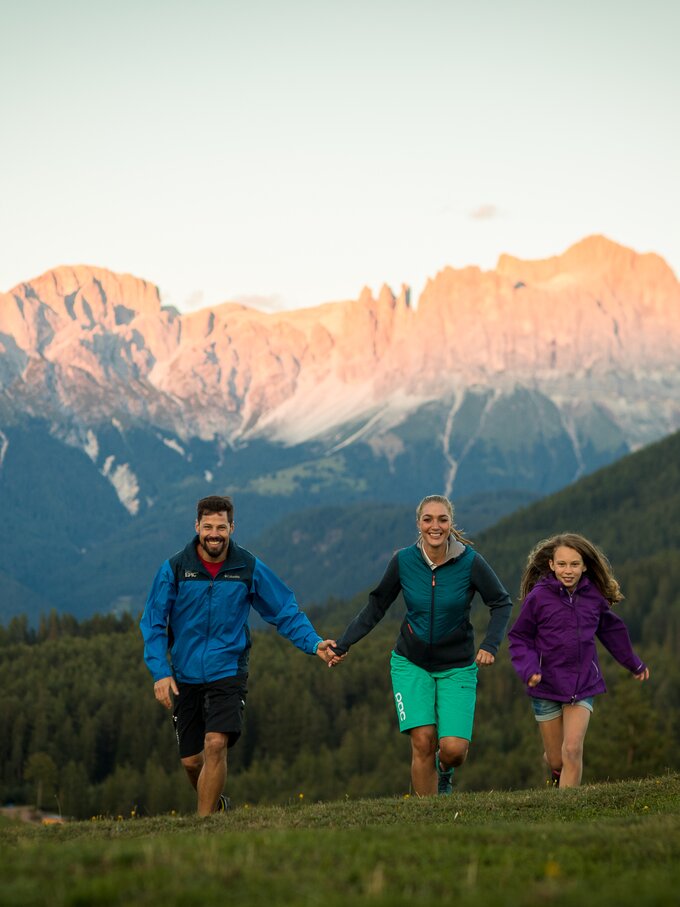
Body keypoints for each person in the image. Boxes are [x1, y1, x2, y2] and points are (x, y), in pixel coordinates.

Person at [140, 494, 337, 815]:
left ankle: (205, 831)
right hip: (184, 674)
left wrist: (314, 644)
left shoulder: (247, 567)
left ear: (232, 527)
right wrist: (160, 671)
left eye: (221, 527)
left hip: (228, 671)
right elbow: (153, 623)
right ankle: (217, 807)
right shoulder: (174, 569)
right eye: (208, 527)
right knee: (191, 762)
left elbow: (284, 610)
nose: (214, 534)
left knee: (216, 744)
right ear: (197, 527)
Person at [328, 494, 512, 797]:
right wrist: (344, 644)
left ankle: (444, 771)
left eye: (442, 519)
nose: (435, 526)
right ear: (418, 523)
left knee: (453, 750)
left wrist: (490, 645)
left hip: (457, 666)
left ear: (451, 523)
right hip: (410, 662)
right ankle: (425, 819)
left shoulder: (470, 562)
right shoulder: (404, 561)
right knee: (423, 740)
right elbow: (376, 606)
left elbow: (501, 602)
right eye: (428, 519)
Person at [508, 532, 649, 789]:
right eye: (562, 564)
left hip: (582, 683)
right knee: (557, 759)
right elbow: (519, 638)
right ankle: (555, 773)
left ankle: (564, 816)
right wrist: (529, 669)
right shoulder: (538, 598)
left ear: (585, 566)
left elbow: (612, 631)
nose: (568, 570)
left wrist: (633, 662)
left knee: (572, 750)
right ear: (551, 565)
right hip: (545, 685)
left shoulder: (593, 597)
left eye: (574, 564)